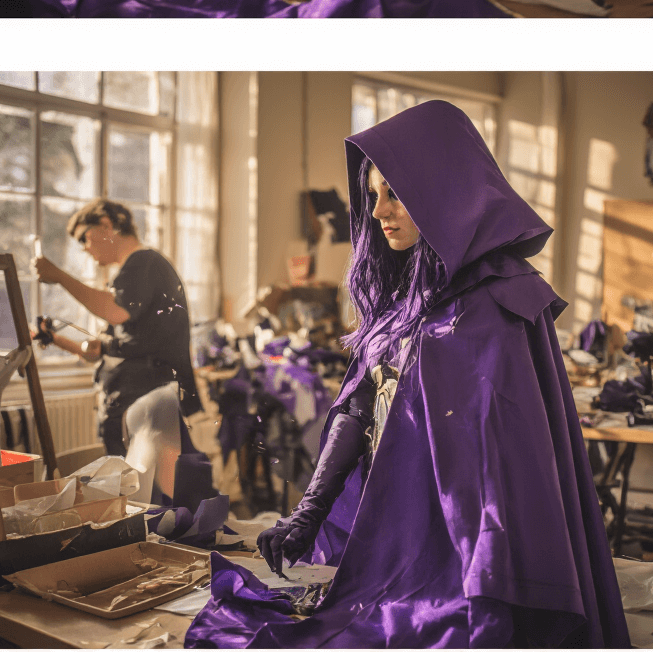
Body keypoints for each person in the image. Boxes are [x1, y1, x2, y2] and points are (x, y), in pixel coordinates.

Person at [187, 101, 630, 649]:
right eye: (373, 196)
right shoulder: (406, 303)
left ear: (444, 192)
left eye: (394, 194)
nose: (377, 212)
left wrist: (482, 575)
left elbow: (498, 473)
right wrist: (307, 513)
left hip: (463, 563)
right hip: (396, 536)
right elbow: (357, 406)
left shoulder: (500, 302)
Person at [32, 198, 200, 455]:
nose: (85, 249)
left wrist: (59, 275)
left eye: (84, 238)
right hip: (134, 402)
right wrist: (56, 340)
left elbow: (114, 311)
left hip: (146, 403)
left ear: (106, 225)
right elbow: (98, 350)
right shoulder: (129, 277)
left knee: (142, 490)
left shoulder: (143, 262)